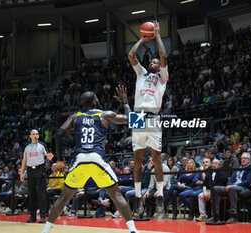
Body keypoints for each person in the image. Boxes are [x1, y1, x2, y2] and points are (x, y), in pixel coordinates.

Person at [41, 87, 140, 233]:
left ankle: (46, 230)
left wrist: (60, 159)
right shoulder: (105, 114)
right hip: (97, 158)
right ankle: (133, 230)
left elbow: (59, 134)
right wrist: (125, 101)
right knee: (116, 195)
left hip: (80, 159)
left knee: (63, 198)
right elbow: (132, 121)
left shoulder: (75, 117)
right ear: (95, 101)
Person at [128, 20, 169, 215]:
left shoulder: (162, 77)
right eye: (151, 62)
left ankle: (159, 194)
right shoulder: (141, 73)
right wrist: (142, 39)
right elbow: (131, 55)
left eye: (155, 63)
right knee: (137, 158)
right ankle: (137, 197)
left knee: (156, 158)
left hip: (153, 116)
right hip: (137, 116)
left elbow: (162, 55)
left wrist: (158, 35)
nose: (153, 63)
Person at [20, 129, 53, 223]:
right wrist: (22, 173)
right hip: (30, 170)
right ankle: (32, 216)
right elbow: (24, 161)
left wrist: (49, 157)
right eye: (33, 134)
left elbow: (48, 156)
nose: (35, 135)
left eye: (37, 134)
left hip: (40, 169)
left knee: (42, 194)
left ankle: (43, 216)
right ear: (30, 136)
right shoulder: (27, 148)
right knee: (31, 194)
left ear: (38, 136)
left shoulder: (42, 145)